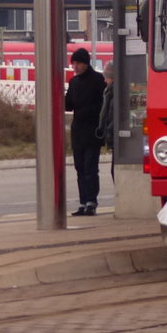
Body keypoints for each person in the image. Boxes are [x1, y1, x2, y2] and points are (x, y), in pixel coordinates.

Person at [64, 47, 105, 216]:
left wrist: (88, 110)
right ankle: (82, 202)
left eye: (78, 63)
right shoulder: (74, 82)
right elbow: (68, 105)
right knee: (79, 167)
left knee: (90, 167)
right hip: (78, 130)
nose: (75, 66)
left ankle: (91, 201)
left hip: (93, 130)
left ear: (86, 63)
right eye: (73, 63)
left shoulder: (97, 80)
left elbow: (101, 104)